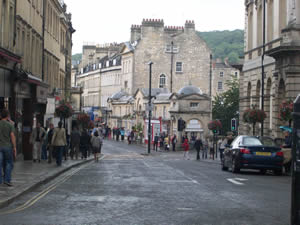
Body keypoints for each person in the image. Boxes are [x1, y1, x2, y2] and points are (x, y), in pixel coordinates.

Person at [0, 109, 16, 186]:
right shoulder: (10, 125)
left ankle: (0, 180)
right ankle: (7, 180)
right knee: (9, 163)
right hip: (7, 147)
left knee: (0, 163)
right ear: (8, 116)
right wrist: (14, 147)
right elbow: (12, 136)